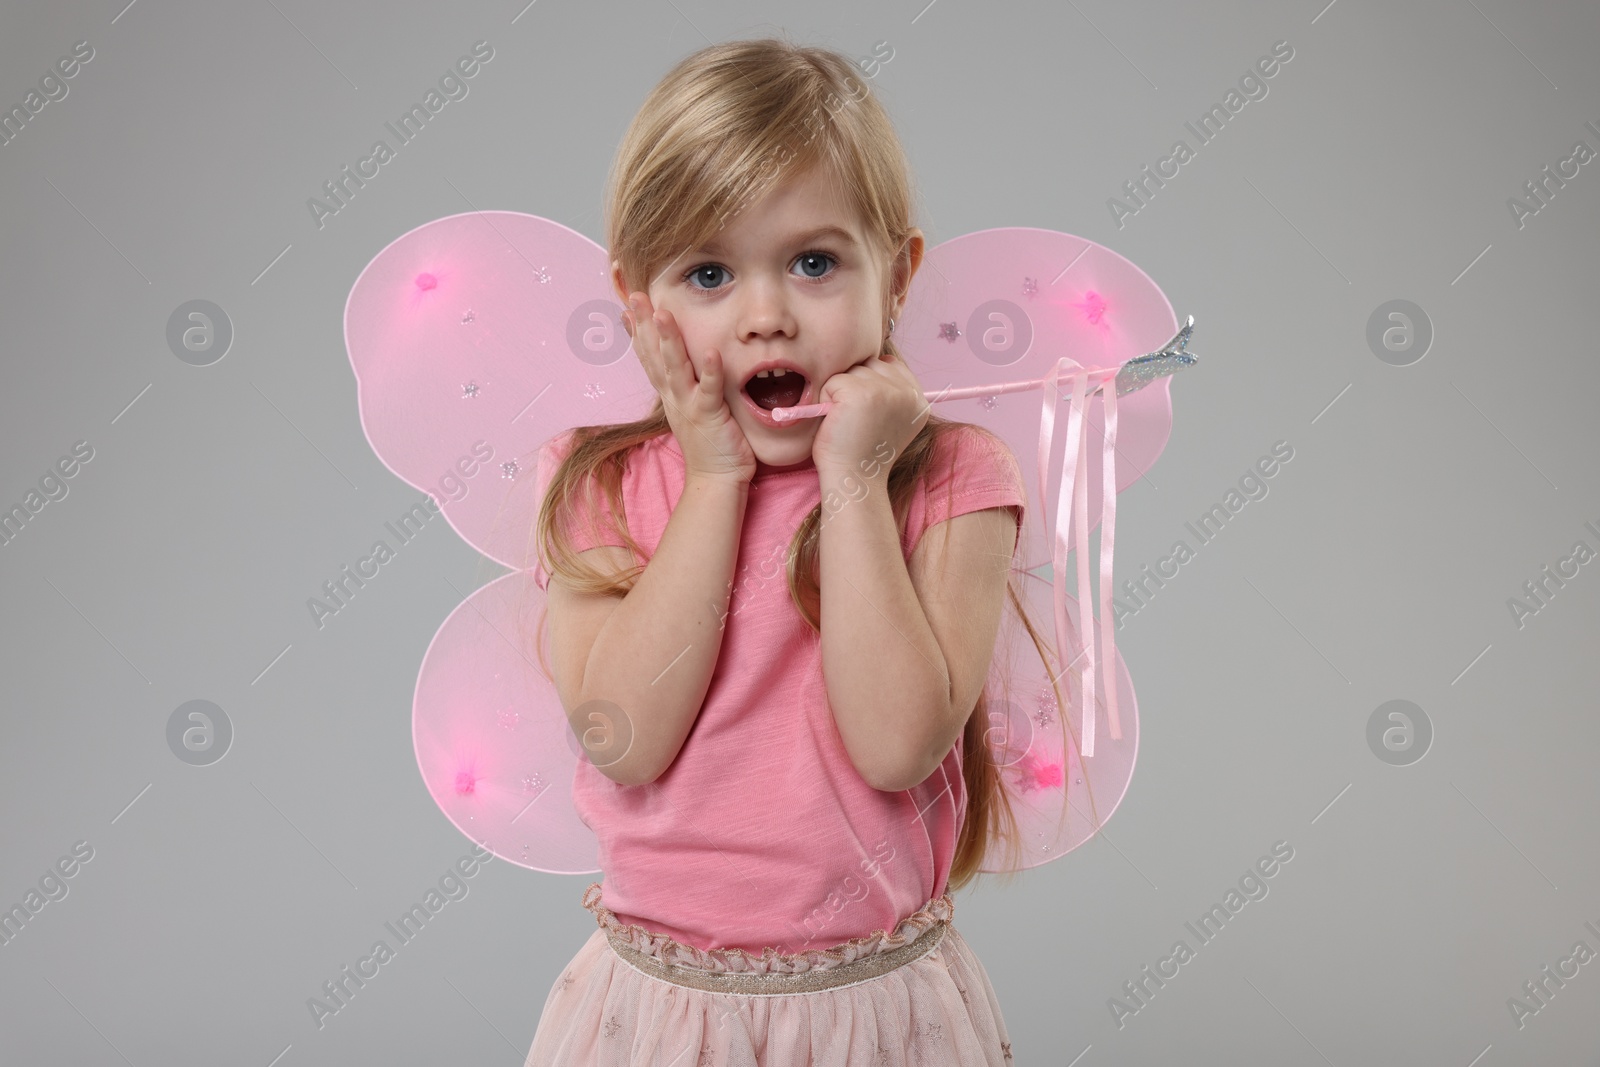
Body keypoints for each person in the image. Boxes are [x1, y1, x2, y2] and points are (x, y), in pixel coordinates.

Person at [524, 36, 1029, 1066]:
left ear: (898, 274)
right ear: (639, 305)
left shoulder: (951, 479)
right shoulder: (605, 483)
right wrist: (713, 477)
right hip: (662, 1013)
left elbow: (896, 745)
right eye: (708, 273)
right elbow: (624, 738)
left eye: (814, 262)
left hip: (873, 1011)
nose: (765, 316)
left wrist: (851, 482)